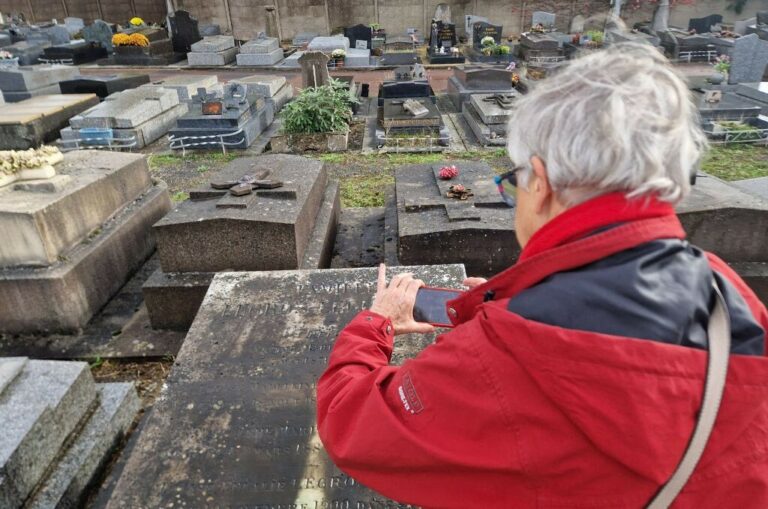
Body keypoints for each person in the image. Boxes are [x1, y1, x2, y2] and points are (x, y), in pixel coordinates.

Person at [316, 43, 768, 508]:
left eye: (515, 183)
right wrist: (508, 309)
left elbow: (352, 423)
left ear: (542, 182)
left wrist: (376, 323)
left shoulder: (506, 355)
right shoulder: (725, 290)